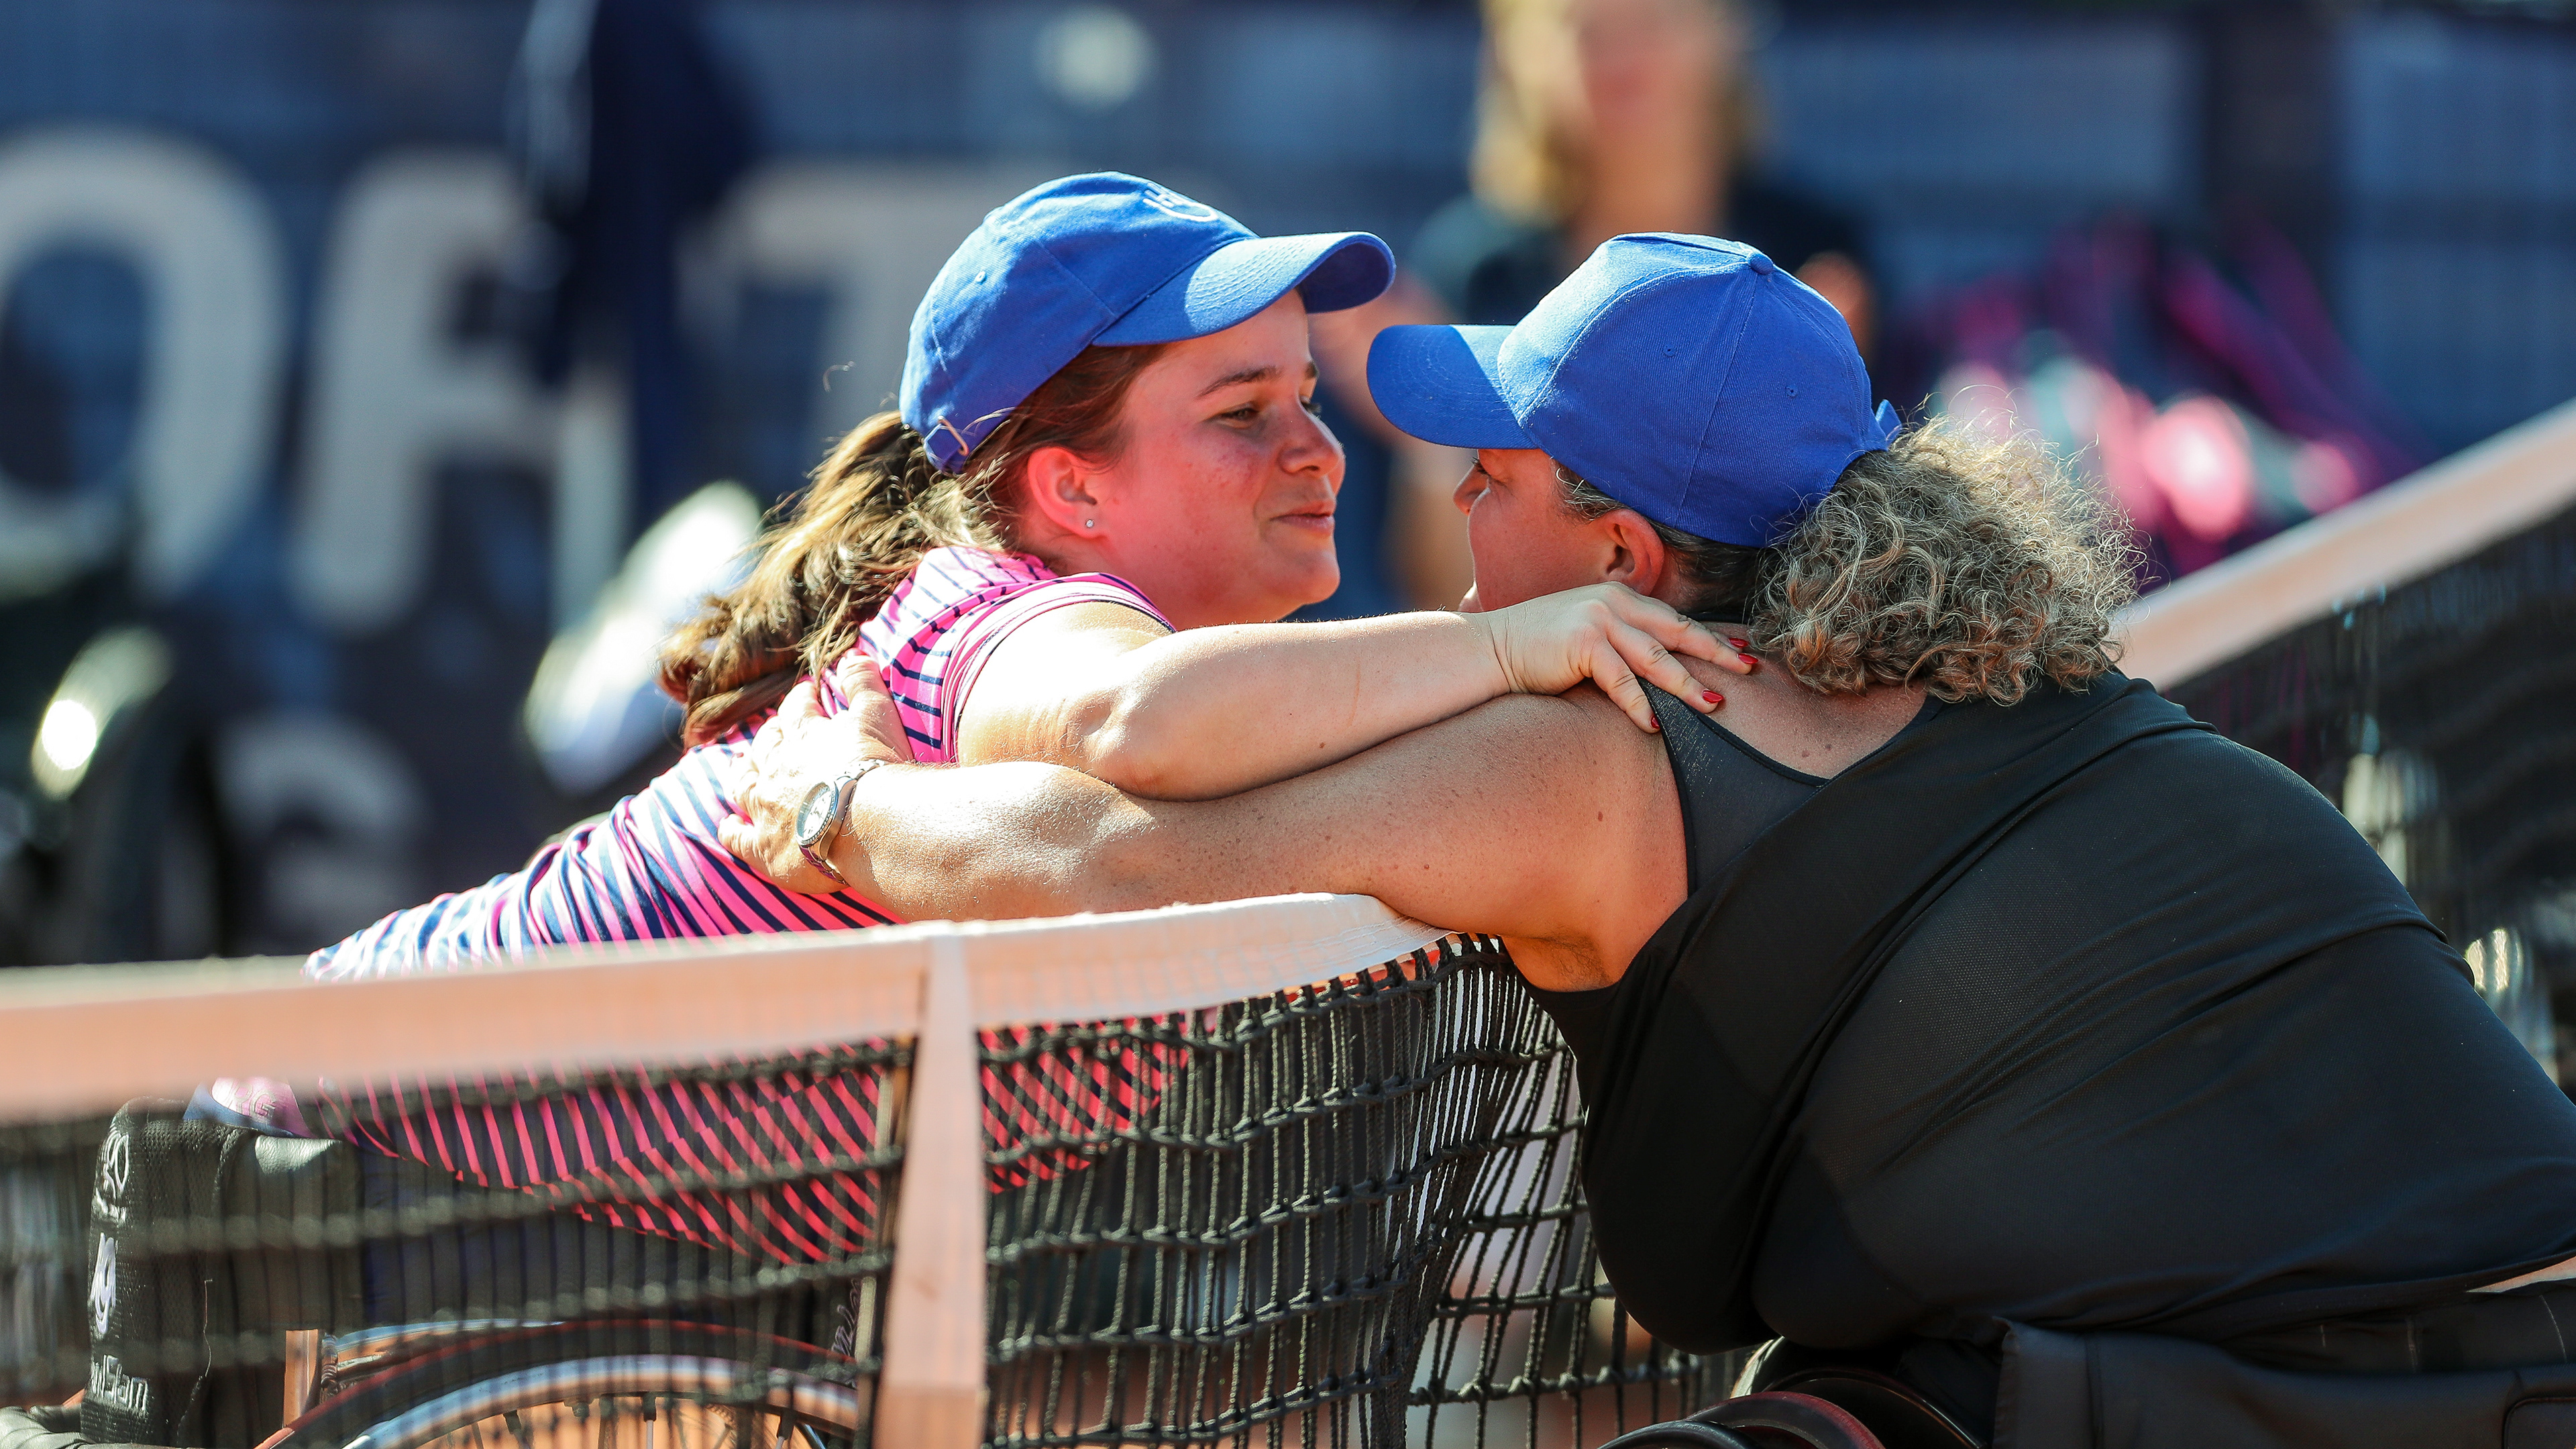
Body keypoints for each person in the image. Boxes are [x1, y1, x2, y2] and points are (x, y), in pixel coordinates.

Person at [722, 234, 2576, 1447]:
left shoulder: (1599, 749)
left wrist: (833, 800)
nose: (1447, 491)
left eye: (1502, 470)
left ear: (1625, 557)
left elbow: (1106, 858)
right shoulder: (2035, 673)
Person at [284, 176, 1739, 1256]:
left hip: (494, 1198)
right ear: (1072, 492)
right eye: (1243, 413)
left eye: (1308, 396)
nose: (1317, 448)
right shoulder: (1007, 612)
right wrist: (1508, 648)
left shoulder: (1066, 616)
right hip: (327, 1166)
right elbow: (1133, 721)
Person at [1313, 0, 1874, 611]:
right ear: (1524, 58)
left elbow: (1843, 558)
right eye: (1587, 32)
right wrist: (1434, 441)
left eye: (1653, 23)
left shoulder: (1820, 252)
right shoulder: (1474, 263)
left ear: (1724, 32)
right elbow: (1459, 604)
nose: (1623, 62)